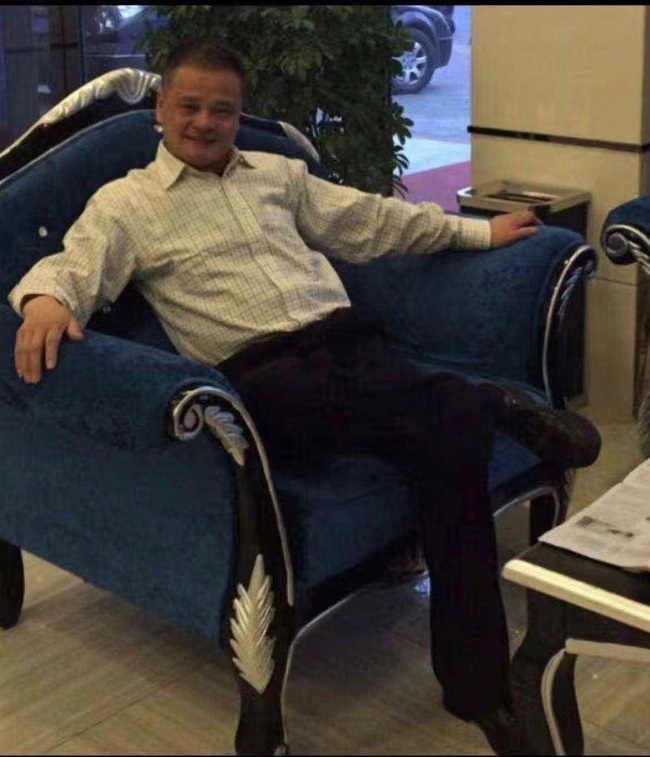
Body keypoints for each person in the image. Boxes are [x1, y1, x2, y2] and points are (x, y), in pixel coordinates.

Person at [9, 41, 600, 755]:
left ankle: (481, 690)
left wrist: (478, 230)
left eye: (222, 109)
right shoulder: (126, 204)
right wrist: (47, 301)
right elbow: (73, 266)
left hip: (350, 343)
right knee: (434, 414)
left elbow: (372, 220)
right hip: (264, 377)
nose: (205, 122)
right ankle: (494, 406)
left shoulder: (279, 175)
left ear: (238, 114)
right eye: (189, 106)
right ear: (161, 108)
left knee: (448, 447)